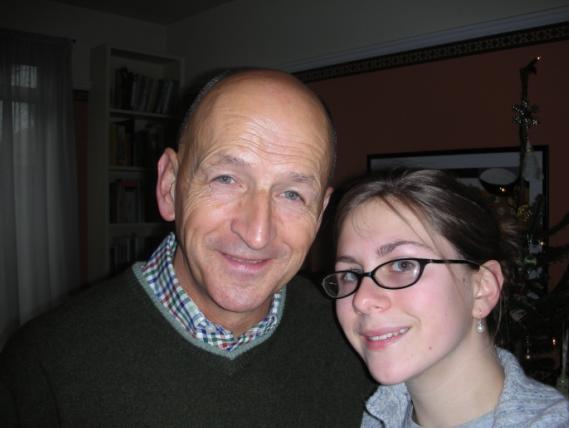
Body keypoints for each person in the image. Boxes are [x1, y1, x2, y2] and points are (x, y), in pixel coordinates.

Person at [0, 69, 374, 427]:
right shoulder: (45, 362)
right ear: (169, 187)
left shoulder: (358, 338)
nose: (257, 234)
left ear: (320, 213)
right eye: (226, 178)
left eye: (292, 194)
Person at [321, 168, 569, 427]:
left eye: (403, 265)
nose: (361, 300)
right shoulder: (346, 416)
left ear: (482, 289)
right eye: (350, 274)